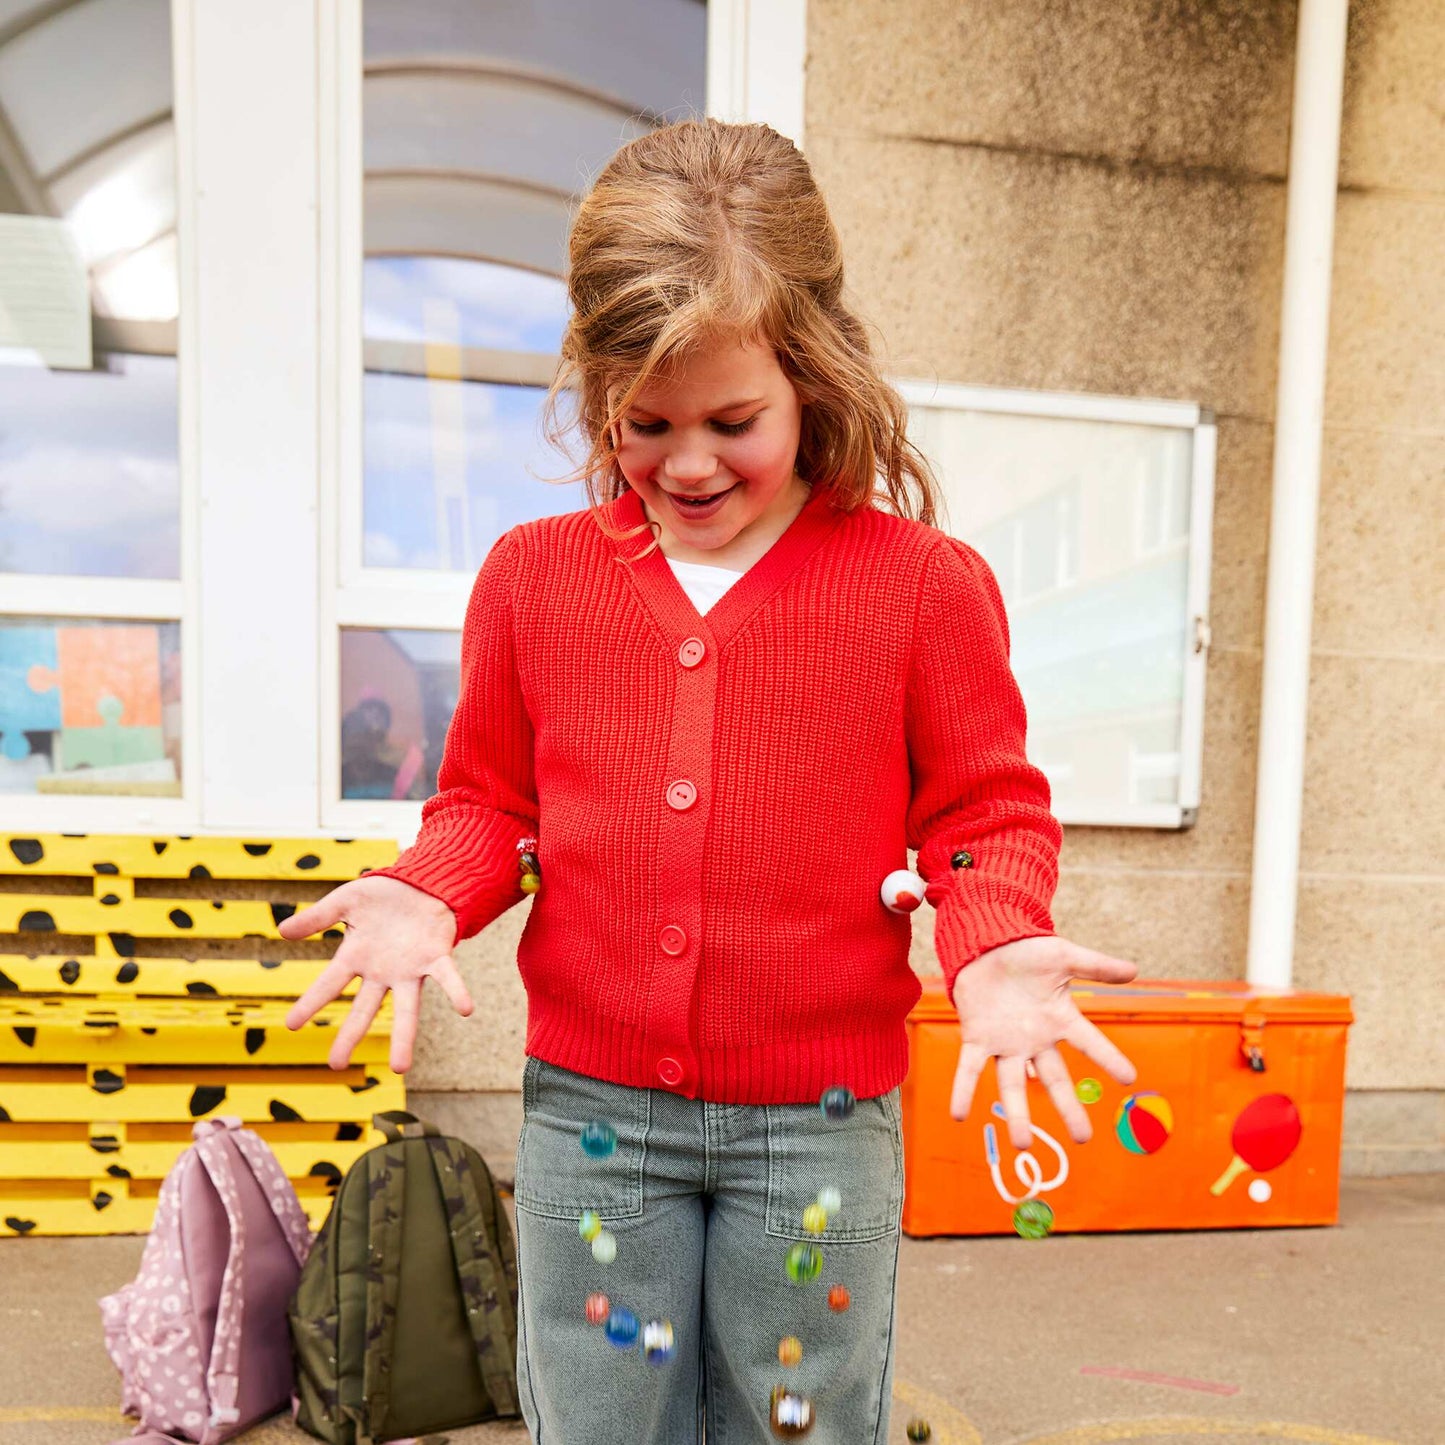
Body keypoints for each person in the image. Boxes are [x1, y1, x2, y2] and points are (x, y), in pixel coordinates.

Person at [282, 117, 1139, 1445]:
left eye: (733, 421)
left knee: (794, 1413)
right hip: (593, 1122)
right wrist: (429, 887)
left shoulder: (917, 586)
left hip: (816, 1123)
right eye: (645, 424)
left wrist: (989, 939)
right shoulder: (532, 576)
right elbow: (490, 801)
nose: (687, 463)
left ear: (815, 374)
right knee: (598, 1411)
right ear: (597, 392)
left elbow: (980, 813)